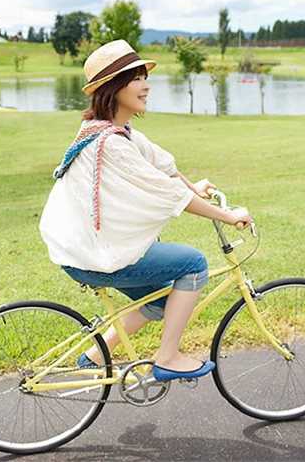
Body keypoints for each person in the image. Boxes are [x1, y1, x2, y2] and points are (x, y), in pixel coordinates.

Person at [39, 39, 252, 382]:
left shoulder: (115, 131)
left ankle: (96, 355)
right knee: (194, 264)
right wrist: (228, 216)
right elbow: (166, 192)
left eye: (143, 77)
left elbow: (163, 167)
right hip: (94, 253)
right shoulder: (110, 144)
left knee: (161, 298)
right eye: (136, 78)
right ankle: (167, 357)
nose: (146, 86)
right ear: (114, 87)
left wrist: (193, 188)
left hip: (85, 247)